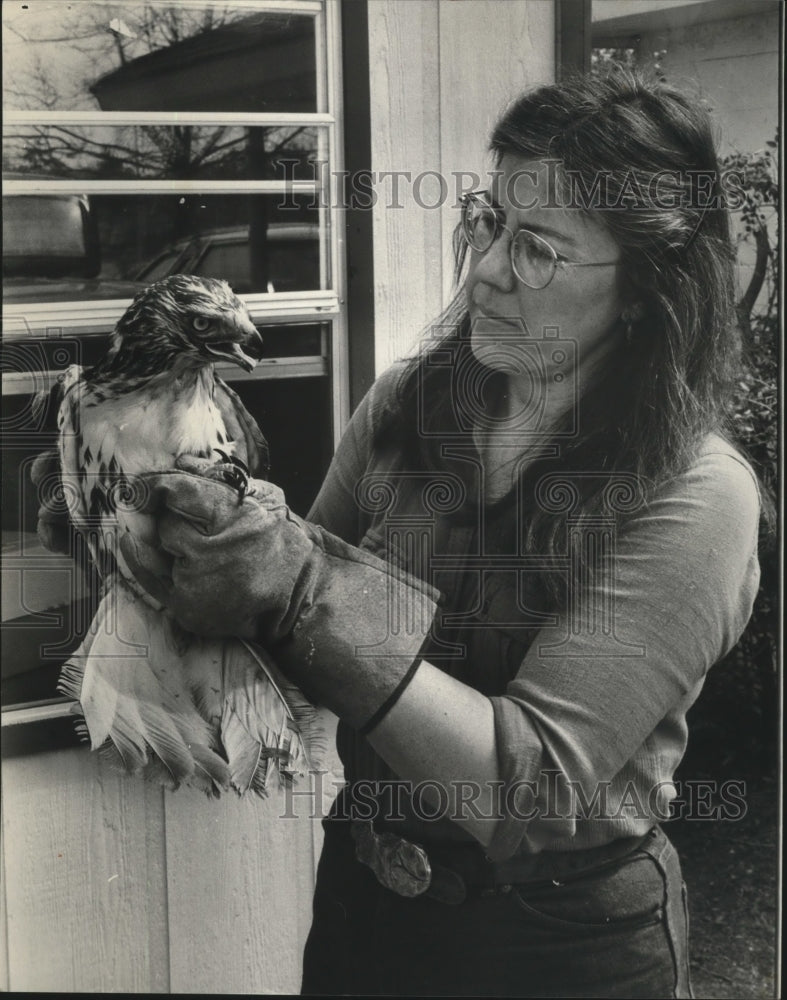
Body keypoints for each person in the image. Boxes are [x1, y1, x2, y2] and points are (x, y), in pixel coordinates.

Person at [47, 69, 763, 997]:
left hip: (555, 943)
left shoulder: (697, 493)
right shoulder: (408, 406)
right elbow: (271, 620)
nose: (489, 268)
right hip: (364, 904)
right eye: (487, 219)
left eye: (539, 248)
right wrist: (149, 545)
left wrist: (303, 589)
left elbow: (523, 785)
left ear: (642, 293)